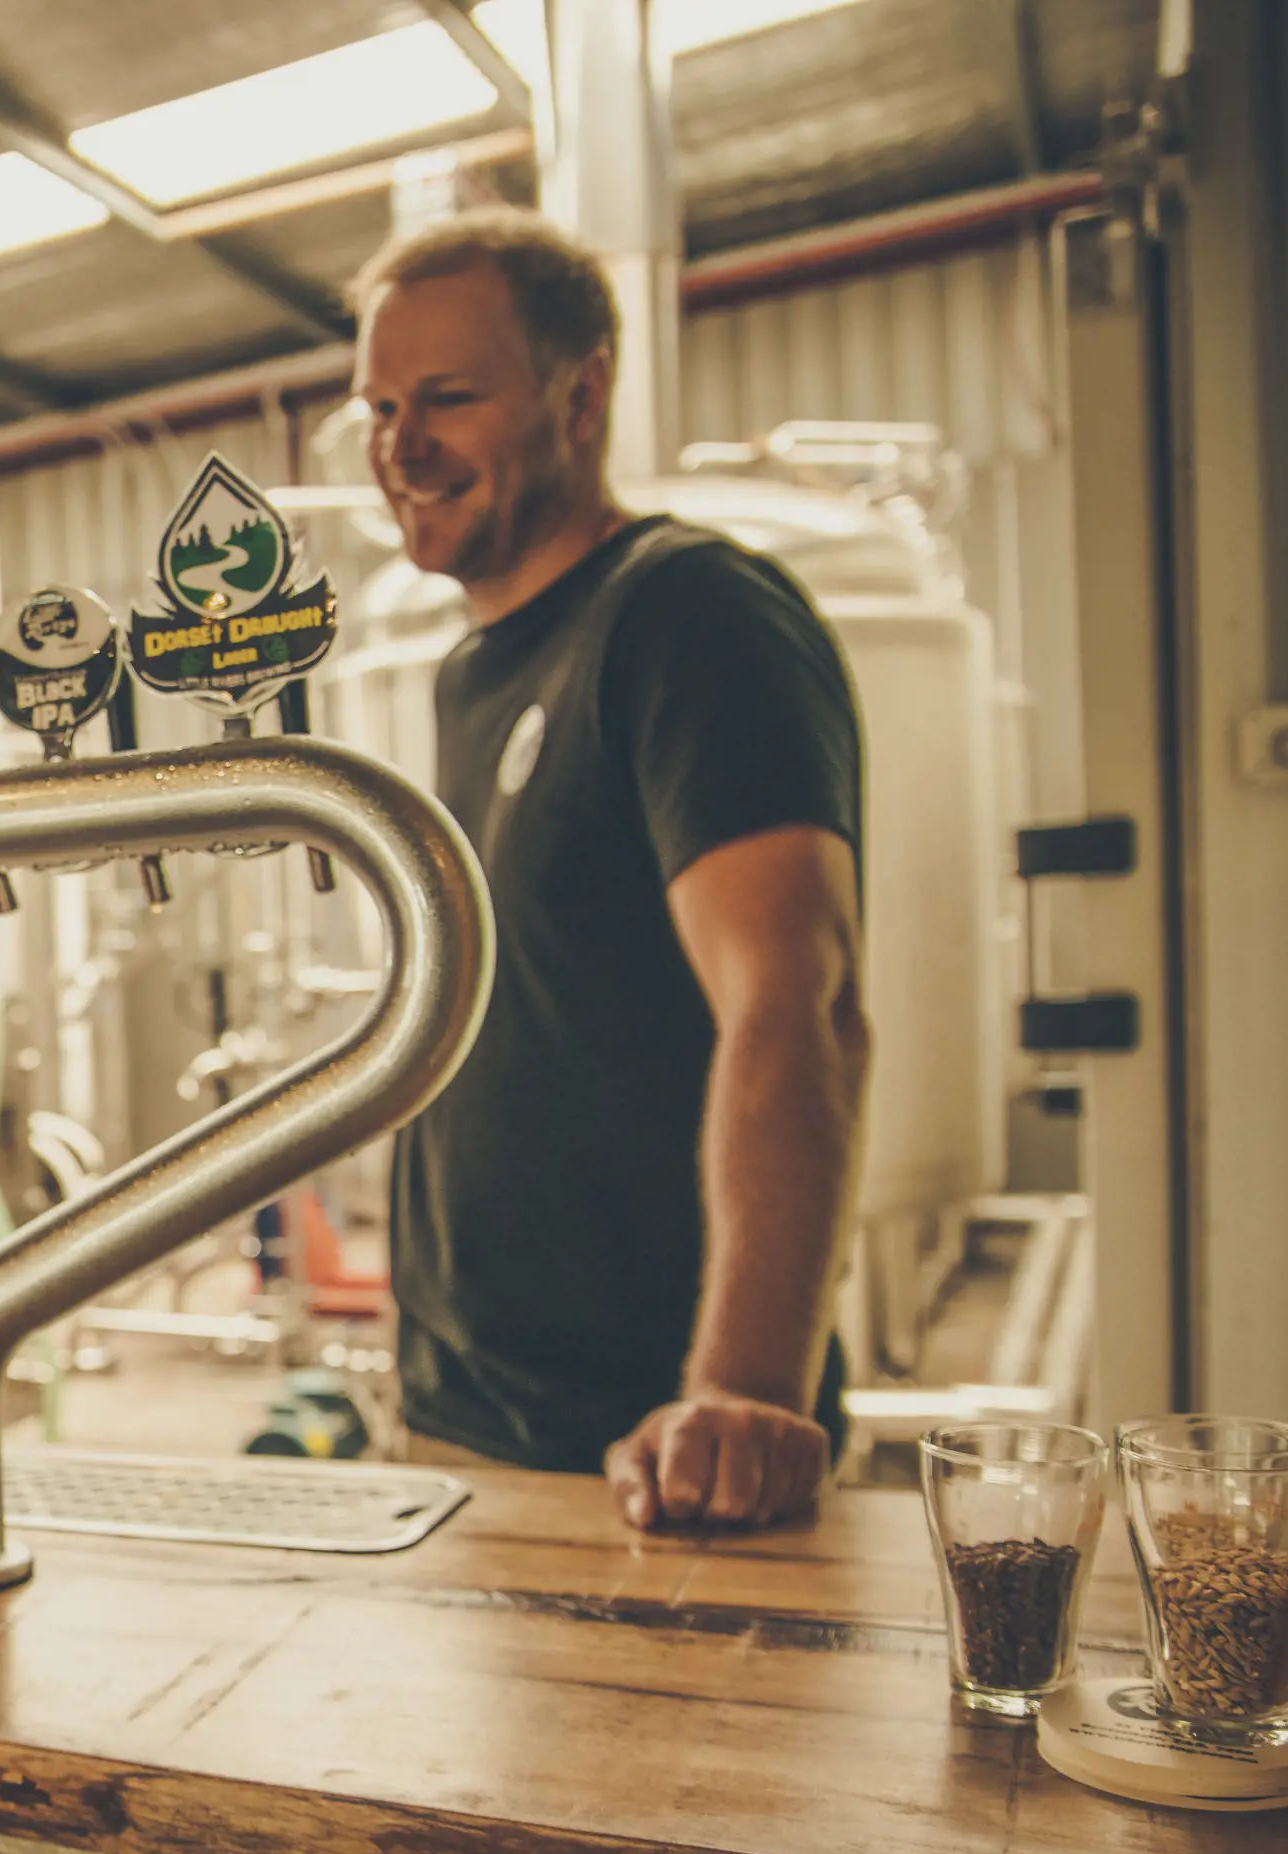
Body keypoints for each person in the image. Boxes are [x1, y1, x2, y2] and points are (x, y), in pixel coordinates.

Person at [350, 212, 872, 1532]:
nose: (399, 447)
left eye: (447, 399)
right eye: (379, 406)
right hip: (460, 1428)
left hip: (651, 1464)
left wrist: (739, 1399)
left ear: (579, 394)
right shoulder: (474, 671)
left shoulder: (684, 615)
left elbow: (793, 1004)